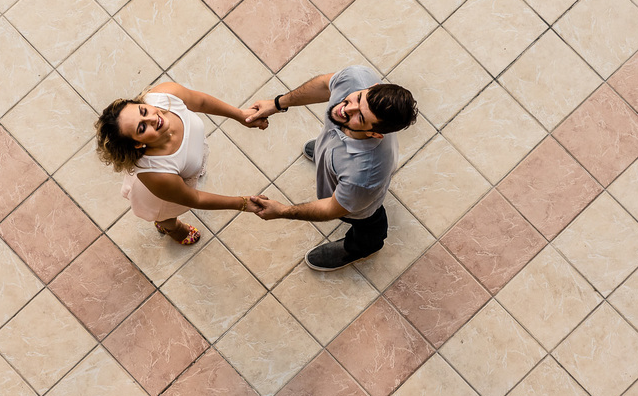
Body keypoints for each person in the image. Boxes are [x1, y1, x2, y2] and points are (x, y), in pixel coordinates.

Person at [244, 66, 418, 270]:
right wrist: (277, 104)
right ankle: (326, 152)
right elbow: (325, 85)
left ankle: (360, 248)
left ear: (373, 134)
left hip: (357, 200)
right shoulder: (356, 78)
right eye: (359, 98)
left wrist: (282, 211)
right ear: (372, 86)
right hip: (342, 158)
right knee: (327, 147)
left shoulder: (363, 176)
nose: (345, 109)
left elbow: (331, 208)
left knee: (367, 221)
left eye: (359, 117)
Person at [96, 82, 266, 245]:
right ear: (138, 144)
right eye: (142, 128)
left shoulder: (165, 94)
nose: (152, 118)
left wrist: (240, 115)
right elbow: (195, 199)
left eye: (143, 110)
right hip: (160, 195)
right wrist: (242, 203)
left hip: (180, 173)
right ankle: (171, 228)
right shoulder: (157, 175)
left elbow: (201, 101)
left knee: (191, 169)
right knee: (166, 215)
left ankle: (190, 173)